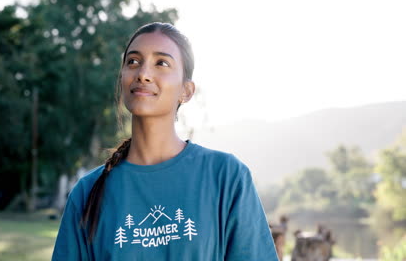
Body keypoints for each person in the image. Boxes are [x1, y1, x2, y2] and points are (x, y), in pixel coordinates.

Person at [52, 22, 279, 261]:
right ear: (122, 79)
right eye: (133, 62)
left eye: (161, 63)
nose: (143, 74)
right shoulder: (87, 192)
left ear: (186, 91)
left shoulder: (226, 176)